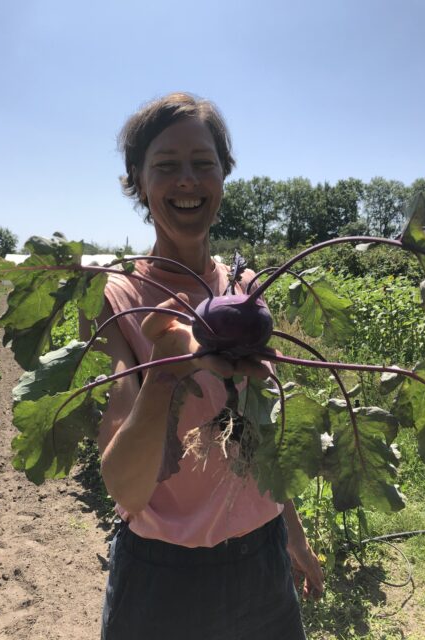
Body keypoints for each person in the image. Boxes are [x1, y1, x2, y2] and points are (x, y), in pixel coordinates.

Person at [96, 92, 324, 639]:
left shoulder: (245, 292)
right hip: (162, 578)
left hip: (262, 563)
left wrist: (293, 534)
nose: (187, 181)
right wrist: (167, 369)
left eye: (203, 163)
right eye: (166, 166)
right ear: (139, 181)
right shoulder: (122, 299)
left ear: (224, 173)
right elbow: (125, 489)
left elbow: (260, 436)